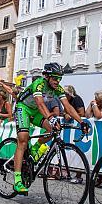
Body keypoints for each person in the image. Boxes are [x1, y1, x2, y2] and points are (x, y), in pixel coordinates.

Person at [12, 63, 86, 195]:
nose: (57, 81)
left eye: (60, 78)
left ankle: (35, 149)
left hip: (36, 111)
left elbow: (68, 106)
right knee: (23, 139)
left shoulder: (58, 89)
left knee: (54, 129)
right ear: (46, 77)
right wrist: (51, 118)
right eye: (54, 78)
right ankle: (17, 180)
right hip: (23, 108)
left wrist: (81, 122)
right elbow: (40, 104)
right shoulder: (39, 84)